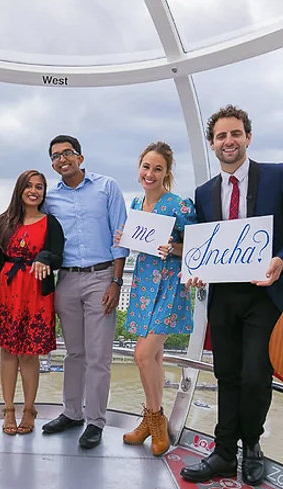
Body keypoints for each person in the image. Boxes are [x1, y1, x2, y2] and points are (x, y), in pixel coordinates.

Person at [179, 105, 283, 486]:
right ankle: (223, 453)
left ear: (248, 137)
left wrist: (281, 261)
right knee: (225, 374)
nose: (229, 141)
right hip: (222, 298)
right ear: (212, 144)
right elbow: (203, 247)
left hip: (265, 294)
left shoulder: (279, 176)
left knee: (256, 374)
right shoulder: (204, 193)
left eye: (235, 134)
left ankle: (251, 445)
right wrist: (196, 271)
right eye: (221, 136)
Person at [40, 135, 128, 449]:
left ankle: (95, 421)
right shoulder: (50, 198)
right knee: (74, 352)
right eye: (55, 156)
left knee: (98, 356)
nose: (62, 159)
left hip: (101, 277)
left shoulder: (107, 187)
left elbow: (121, 236)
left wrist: (116, 282)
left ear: (80, 156)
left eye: (67, 153)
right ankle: (72, 412)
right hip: (66, 280)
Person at [118, 142, 196, 456]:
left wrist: (173, 248)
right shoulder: (137, 202)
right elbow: (139, 242)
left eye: (158, 169)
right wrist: (123, 236)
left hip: (169, 286)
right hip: (143, 283)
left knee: (142, 354)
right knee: (155, 357)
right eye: (146, 167)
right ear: (139, 168)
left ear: (167, 173)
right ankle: (151, 419)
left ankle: (154, 419)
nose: (150, 173)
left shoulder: (179, 205)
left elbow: (197, 245)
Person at [0, 170, 64, 435]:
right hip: (6, 290)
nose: (34, 191)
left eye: (39, 187)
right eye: (29, 186)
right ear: (19, 189)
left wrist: (44, 257)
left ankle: (29, 409)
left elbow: (59, 256)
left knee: (29, 353)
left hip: (37, 293)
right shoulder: (3, 222)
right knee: (7, 351)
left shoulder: (51, 223)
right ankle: (8, 409)